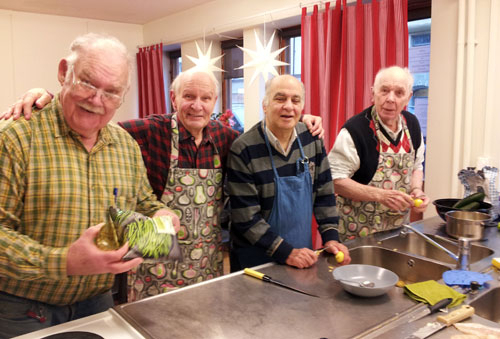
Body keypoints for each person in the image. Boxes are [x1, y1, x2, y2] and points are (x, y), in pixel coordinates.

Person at [2, 70, 325, 301]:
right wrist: (46, 97)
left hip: (206, 258)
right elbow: (93, 118)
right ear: (174, 98)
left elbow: (268, 127)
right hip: (154, 259)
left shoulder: (227, 139)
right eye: (188, 96)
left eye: (205, 98)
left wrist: (299, 116)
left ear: (215, 101)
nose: (197, 105)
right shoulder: (147, 131)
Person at [0, 33, 179, 338]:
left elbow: (144, 203)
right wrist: (64, 261)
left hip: (98, 302)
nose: (97, 100)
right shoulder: (15, 138)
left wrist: (162, 216)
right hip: (24, 309)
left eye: (111, 92)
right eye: (87, 83)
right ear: (63, 73)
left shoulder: (125, 145)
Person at [227, 74, 350, 271]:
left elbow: (324, 194)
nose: (288, 106)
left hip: (300, 255)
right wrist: (287, 252)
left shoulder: (312, 140)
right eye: (280, 98)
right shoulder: (244, 149)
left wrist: (331, 237)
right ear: (265, 105)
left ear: (302, 107)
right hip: (255, 260)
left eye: (295, 100)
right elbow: (246, 217)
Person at [328, 66, 429, 242]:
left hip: (397, 232)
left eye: (399, 93)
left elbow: (416, 166)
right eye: (384, 90)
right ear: (373, 93)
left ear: (408, 97)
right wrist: (381, 196)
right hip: (357, 235)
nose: (390, 99)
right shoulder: (355, 130)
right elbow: (335, 180)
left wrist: (416, 190)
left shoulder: (412, 125)